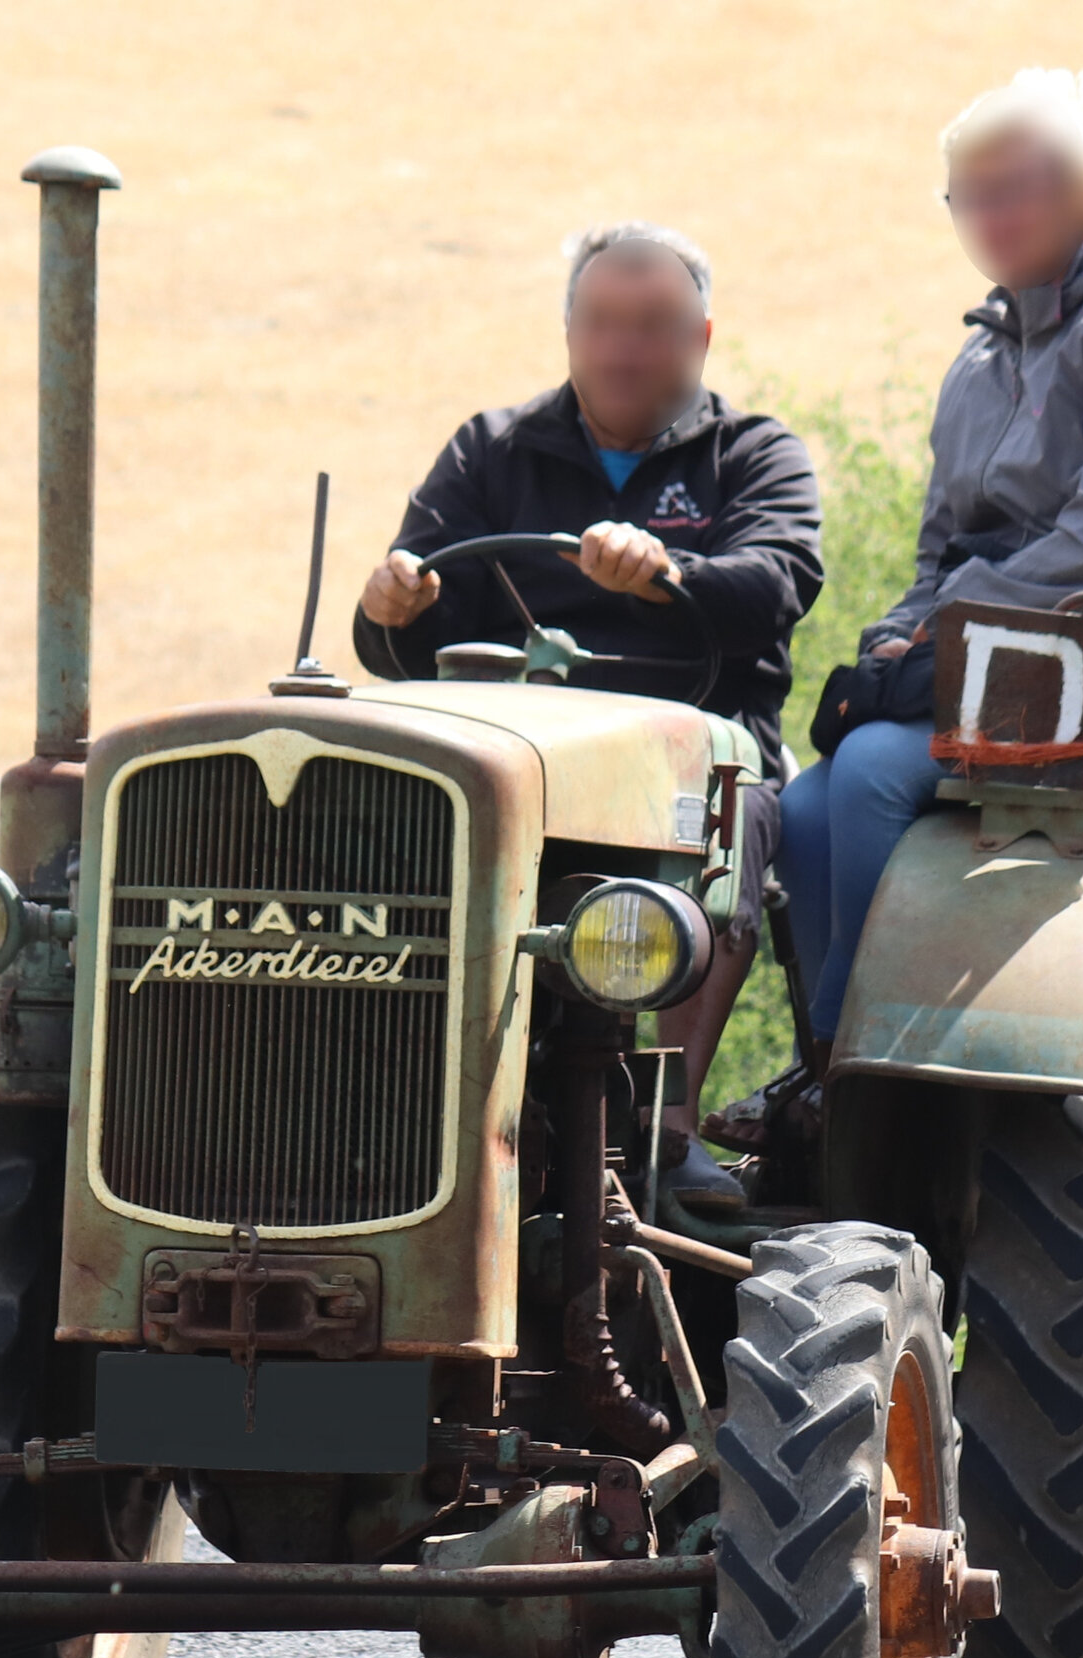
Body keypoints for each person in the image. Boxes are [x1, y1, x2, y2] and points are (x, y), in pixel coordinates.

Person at [778, 68, 1083, 1063]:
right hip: (1009, 671)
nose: (992, 214)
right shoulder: (981, 361)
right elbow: (938, 551)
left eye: (1018, 186)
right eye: (972, 195)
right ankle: (825, 1063)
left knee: (868, 770)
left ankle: (850, 1061)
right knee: (805, 800)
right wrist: (898, 632)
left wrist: (950, 618)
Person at [353, 223, 824, 1209]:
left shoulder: (752, 455)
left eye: (651, 327)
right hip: (517, 747)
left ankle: (666, 1121)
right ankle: (395, 1097)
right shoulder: (493, 449)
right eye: (603, 323)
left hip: (692, 742)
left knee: (723, 800)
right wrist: (390, 604)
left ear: (700, 338)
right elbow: (410, 619)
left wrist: (670, 575)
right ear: (570, 333)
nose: (622, 350)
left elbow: (778, 584)